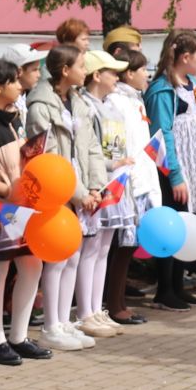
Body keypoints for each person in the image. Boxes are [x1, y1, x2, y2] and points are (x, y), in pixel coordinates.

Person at [0, 58, 48, 363]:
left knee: (32, 265)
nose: (20, 86)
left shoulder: (12, 117)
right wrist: (5, 189)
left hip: (23, 204)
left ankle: (19, 335)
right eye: (14, 81)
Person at [25, 45, 97, 350]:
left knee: (74, 255)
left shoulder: (77, 101)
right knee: (55, 257)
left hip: (79, 192)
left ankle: (65, 321)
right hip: (56, 192)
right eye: (81, 65)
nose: (86, 70)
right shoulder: (41, 106)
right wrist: (78, 193)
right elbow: (48, 154)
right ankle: (51, 325)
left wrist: (95, 187)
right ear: (65, 70)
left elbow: (91, 147)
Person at [144, 31, 196, 312]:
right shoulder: (163, 90)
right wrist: (174, 174)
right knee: (172, 225)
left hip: (194, 167)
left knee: (189, 223)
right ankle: (165, 289)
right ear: (185, 57)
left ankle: (179, 285)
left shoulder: (192, 83)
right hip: (175, 167)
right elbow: (162, 134)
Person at [103, 48, 161, 325]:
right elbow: (115, 144)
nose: (146, 75)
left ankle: (118, 302)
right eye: (141, 70)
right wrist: (126, 173)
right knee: (121, 246)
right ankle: (114, 304)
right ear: (129, 74)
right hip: (126, 179)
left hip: (140, 177)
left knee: (128, 246)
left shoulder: (134, 99)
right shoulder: (115, 101)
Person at [76, 50, 132, 335]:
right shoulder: (86, 106)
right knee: (91, 247)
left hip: (115, 184)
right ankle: (85, 311)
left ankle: (97, 309)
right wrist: (112, 164)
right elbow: (88, 149)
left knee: (104, 248)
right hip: (97, 184)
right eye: (112, 72)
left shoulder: (110, 105)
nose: (117, 77)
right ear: (96, 75)